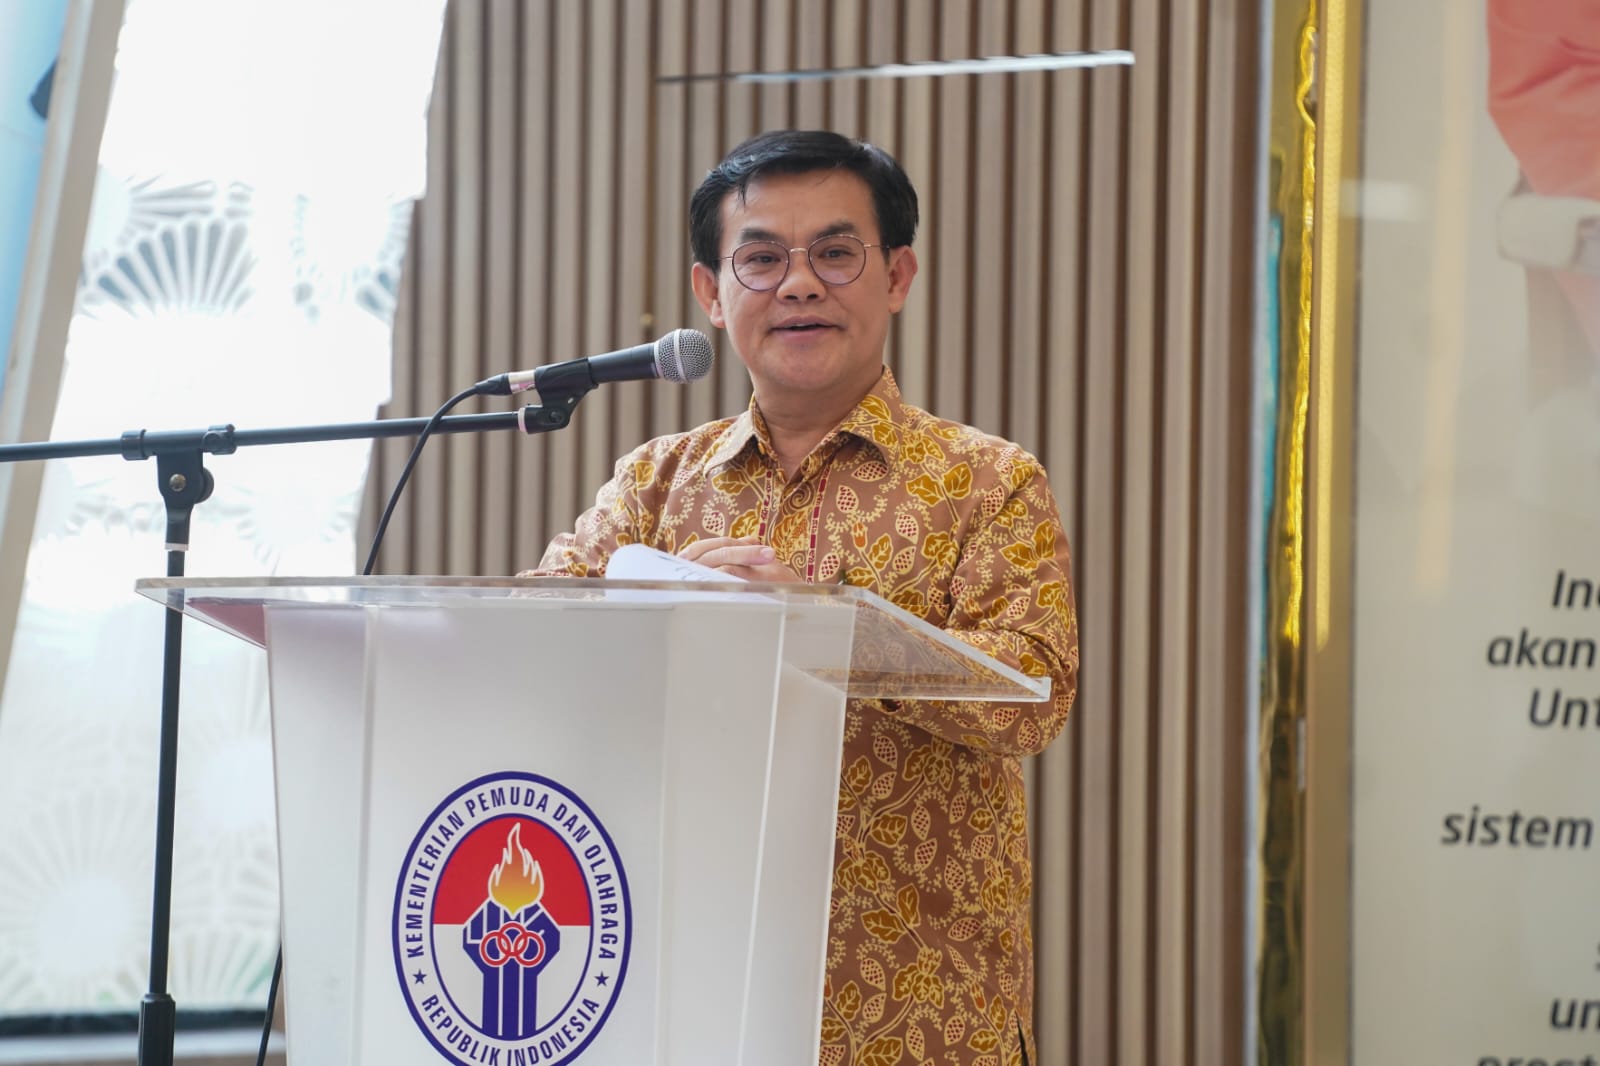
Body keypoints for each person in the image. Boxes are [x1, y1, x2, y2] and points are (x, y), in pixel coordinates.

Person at [527, 129, 1078, 1066]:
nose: (799, 284)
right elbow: (537, 639)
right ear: (710, 291)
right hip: (684, 990)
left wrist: (821, 627)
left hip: (917, 1008)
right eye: (762, 258)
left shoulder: (989, 482)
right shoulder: (657, 482)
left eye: (835, 252)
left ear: (897, 275)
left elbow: (1035, 693)